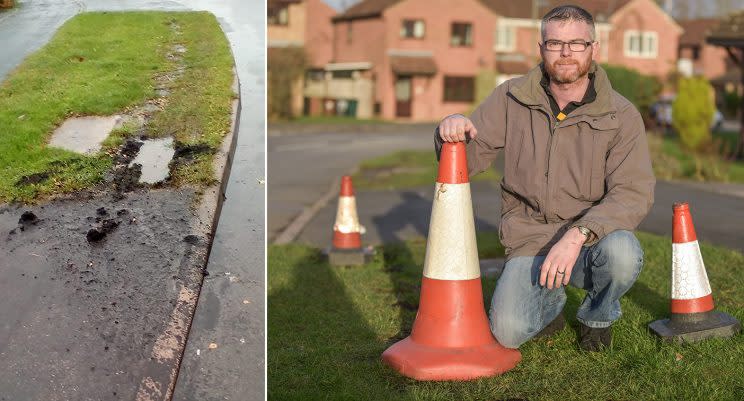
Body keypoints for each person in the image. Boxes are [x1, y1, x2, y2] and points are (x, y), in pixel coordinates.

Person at [435, 5, 655, 351]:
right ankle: (548, 301)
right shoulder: (511, 97)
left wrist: (577, 235)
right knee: (508, 332)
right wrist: (452, 132)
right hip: (530, 238)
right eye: (555, 43)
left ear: (594, 49)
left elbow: (632, 193)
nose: (566, 52)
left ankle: (596, 317)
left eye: (576, 43)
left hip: (589, 239)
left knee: (623, 253)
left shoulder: (621, 114)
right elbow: (468, 161)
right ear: (541, 49)